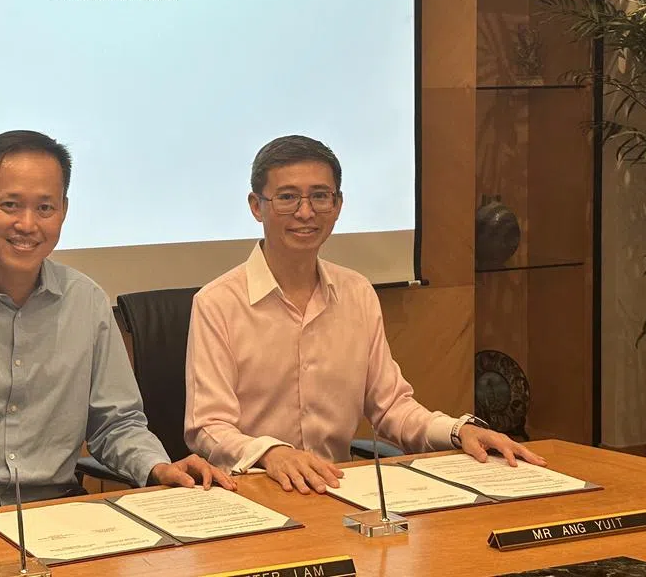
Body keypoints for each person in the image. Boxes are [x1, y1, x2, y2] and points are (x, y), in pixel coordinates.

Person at [0, 130, 234, 534]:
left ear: (64, 210)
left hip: (62, 520)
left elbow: (117, 423)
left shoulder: (86, 302)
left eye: (45, 207)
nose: (27, 224)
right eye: (9, 205)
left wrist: (158, 468)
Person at [184, 134, 545, 495]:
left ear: (338, 205)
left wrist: (459, 430)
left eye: (320, 196)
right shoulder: (218, 303)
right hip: (249, 493)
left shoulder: (357, 293)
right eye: (287, 197)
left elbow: (391, 408)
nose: (306, 212)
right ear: (257, 206)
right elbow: (208, 427)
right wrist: (271, 452)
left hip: (337, 493)